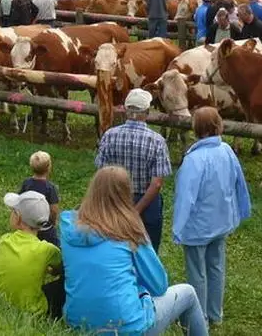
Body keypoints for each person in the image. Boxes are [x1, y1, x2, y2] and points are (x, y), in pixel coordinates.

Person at [60, 166, 208, 336]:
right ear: (126, 194)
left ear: (92, 189)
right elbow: (159, 286)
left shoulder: (69, 227)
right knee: (188, 292)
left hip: (79, 324)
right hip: (126, 328)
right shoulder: (128, 230)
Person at [171, 107, 251, 327]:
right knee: (216, 267)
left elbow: (185, 197)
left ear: (195, 129)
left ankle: (200, 319)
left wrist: (178, 228)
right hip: (222, 221)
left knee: (197, 272)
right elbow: (239, 184)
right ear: (219, 125)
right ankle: (216, 314)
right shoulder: (226, 150)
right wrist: (242, 210)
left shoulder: (194, 159)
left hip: (198, 227)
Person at [95, 88, 172, 251]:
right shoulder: (157, 141)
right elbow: (157, 183)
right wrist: (136, 211)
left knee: (115, 246)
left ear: (125, 110)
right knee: (148, 249)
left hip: (116, 197)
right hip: (146, 202)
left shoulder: (110, 135)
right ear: (147, 112)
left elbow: (102, 171)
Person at [0, 190, 63, 318]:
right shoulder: (48, 250)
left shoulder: (4, 240)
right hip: (31, 312)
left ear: (18, 218)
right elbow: (60, 269)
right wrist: (50, 269)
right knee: (61, 287)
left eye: (13, 211)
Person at [19, 151, 61, 247]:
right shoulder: (50, 188)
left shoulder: (27, 183)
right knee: (56, 248)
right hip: (44, 227)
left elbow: (20, 200)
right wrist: (53, 222)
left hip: (28, 225)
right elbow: (54, 209)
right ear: (49, 168)